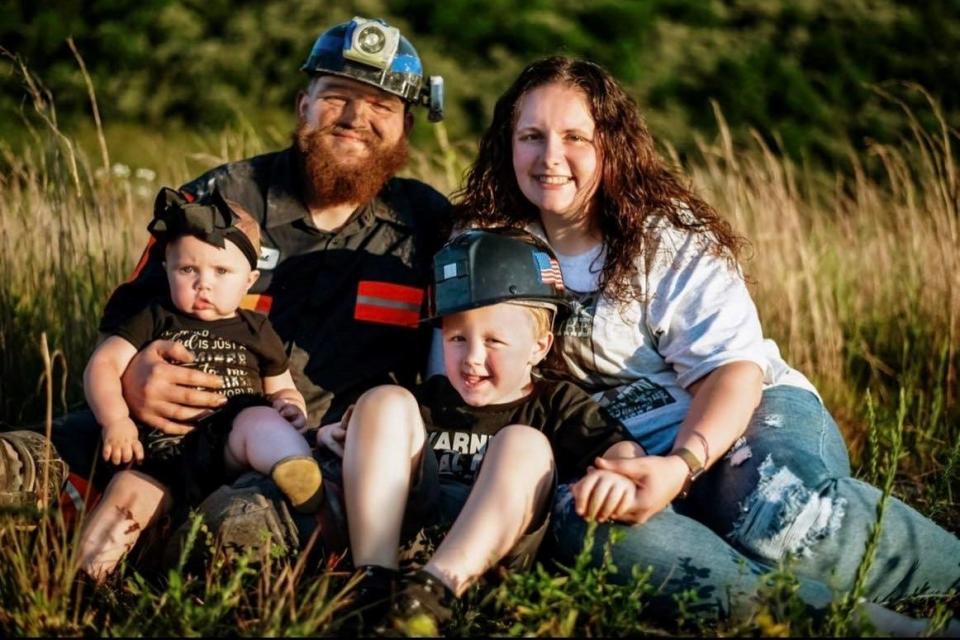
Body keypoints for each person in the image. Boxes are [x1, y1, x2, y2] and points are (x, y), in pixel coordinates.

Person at [452, 56, 960, 633]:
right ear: (506, 144)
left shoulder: (664, 235)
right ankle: (861, 624)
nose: (550, 158)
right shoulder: (483, 246)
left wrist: (681, 465)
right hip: (603, 452)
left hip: (738, 415)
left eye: (575, 137)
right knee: (583, 523)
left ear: (612, 146)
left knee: (771, 507)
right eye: (531, 136)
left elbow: (734, 370)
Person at [2, 17, 449, 559]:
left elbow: (465, 367)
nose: (356, 118)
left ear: (406, 126)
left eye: (382, 106)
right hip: (154, 435)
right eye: (337, 96)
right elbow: (129, 317)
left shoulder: (428, 225)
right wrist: (133, 378)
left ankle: (148, 544)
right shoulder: (220, 199)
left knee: (236, 534)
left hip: (311, 460)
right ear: (302, 105)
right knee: (16, 471)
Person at [326, 229, 641, 632]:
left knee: (523, 443)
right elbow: (374, 435)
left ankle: (431, 597)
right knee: (383, 399)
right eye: (457, 339)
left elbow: (620, 452)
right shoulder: (426, 400)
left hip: (494, 567)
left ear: (539, 347)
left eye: (494, 341)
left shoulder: (556, 403)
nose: (472, 358)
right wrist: (341, 432)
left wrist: (619, 475)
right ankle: (370, 582)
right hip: (404, 552)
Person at [77, 189, 324, 580]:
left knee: (260, 420)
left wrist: (290, 406)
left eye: (221, 272)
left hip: (229, 447)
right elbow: (103, 365)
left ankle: (297, 471)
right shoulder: (155, 317)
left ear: (250, 280)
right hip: (162, 449)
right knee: (127, 495)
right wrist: (116, 421)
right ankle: (84, 581)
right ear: (167, 269)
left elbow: (281, 385)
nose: (202, 285)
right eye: (187, 270)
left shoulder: (257, 329)